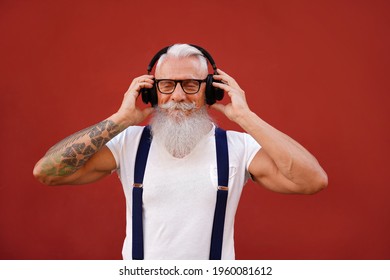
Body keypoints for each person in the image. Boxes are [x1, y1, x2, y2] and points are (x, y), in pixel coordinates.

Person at [33, 43, 328, 260]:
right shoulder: (128, 144)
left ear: (211, 90)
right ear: (150, 92)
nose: (177, 95)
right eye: (166, 85)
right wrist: (120, 120)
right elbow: (47, 172)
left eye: (190, 84)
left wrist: (245, 117)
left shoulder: (238, 148)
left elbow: (311, 180)